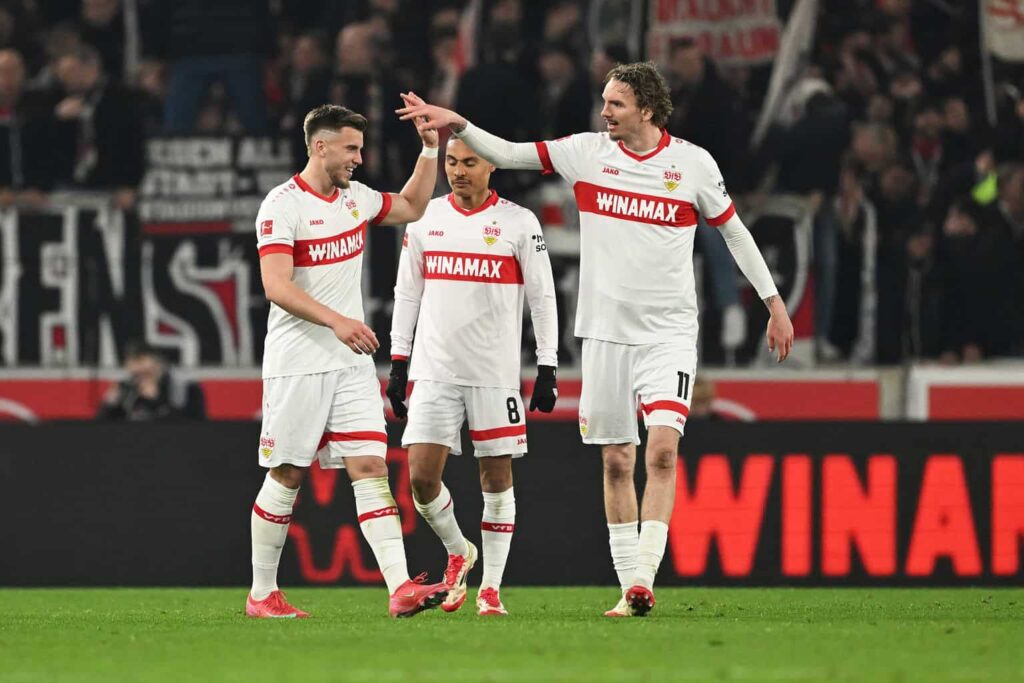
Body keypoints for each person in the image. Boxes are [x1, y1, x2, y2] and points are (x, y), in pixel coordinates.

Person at [396, 61, 794, 617]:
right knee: (616, 461)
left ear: (647, 110)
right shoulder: (586, 153)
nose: (604, 111)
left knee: (661, 450)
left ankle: (644, 579)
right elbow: (508, 153)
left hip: (669, 332)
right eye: (604, 101)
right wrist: (456, 123)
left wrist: (774, 303)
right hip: (604, 333)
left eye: (616, 103)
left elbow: (734, 232)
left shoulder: (693, 164)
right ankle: (628, 590)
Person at [248, 103, 448, 619]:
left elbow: (412, 206)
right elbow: (276, 285)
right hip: (298, 362)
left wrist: (430, 149)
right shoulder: (282, 206)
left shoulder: (355, 199)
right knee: (287, 474)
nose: (359, 158)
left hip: (352, 362)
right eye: (351, 148)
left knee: (370, 466)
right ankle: (262, 593)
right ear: (320, 146)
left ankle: (400, 587)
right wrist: (337, 321)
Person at [386, 137, 559, 616]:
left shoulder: (519, 222)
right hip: (434, 370)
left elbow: (542, 296)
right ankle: (459, 550)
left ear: (492, 166)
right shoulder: (425, 217)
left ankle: (491, 590)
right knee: (421, 480)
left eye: (469, 162)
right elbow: (407, 293)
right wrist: (398, 362)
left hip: (493, 374)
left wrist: (547, 364)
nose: (458, 171)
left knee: (496, 478)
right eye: (451, 162)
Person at [96, 341, 206, 420]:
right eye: (130, 362)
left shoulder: (187, 390)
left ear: (159, 364)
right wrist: (109, 404)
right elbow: (102, 427)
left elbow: (195, 428)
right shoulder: (124, 390)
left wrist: (154, 401)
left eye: (140, 360)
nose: (136, 368)